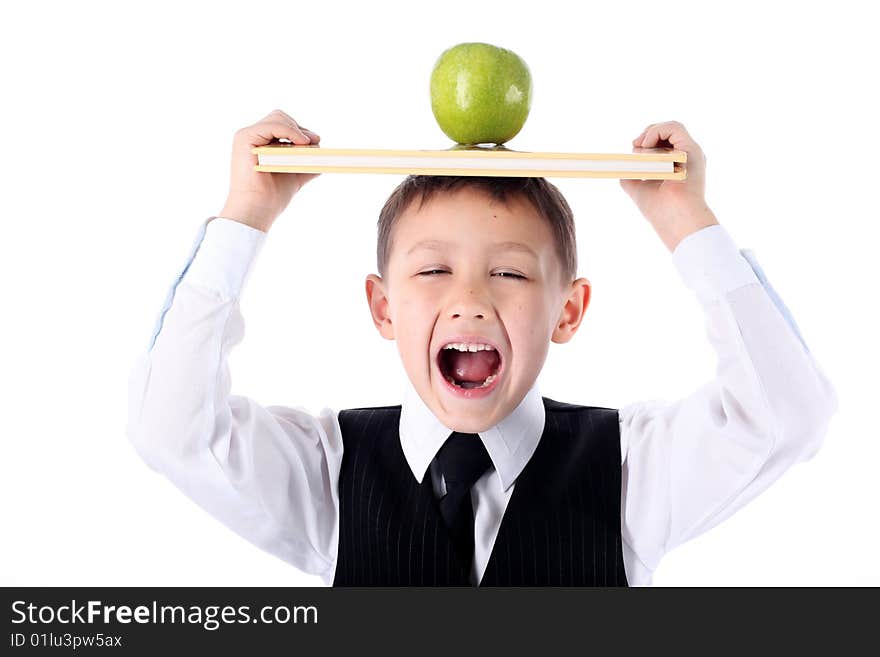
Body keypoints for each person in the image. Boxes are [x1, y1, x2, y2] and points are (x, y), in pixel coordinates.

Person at [126, 109, 838, 586]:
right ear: (382, 307)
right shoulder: (327, 473)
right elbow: (171, 428)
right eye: (433, 270)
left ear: (569, 309)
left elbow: (785, 414)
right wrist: (246, 215)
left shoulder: (629, 470)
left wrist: (688, 221)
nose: (469, 297)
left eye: (509, 272)